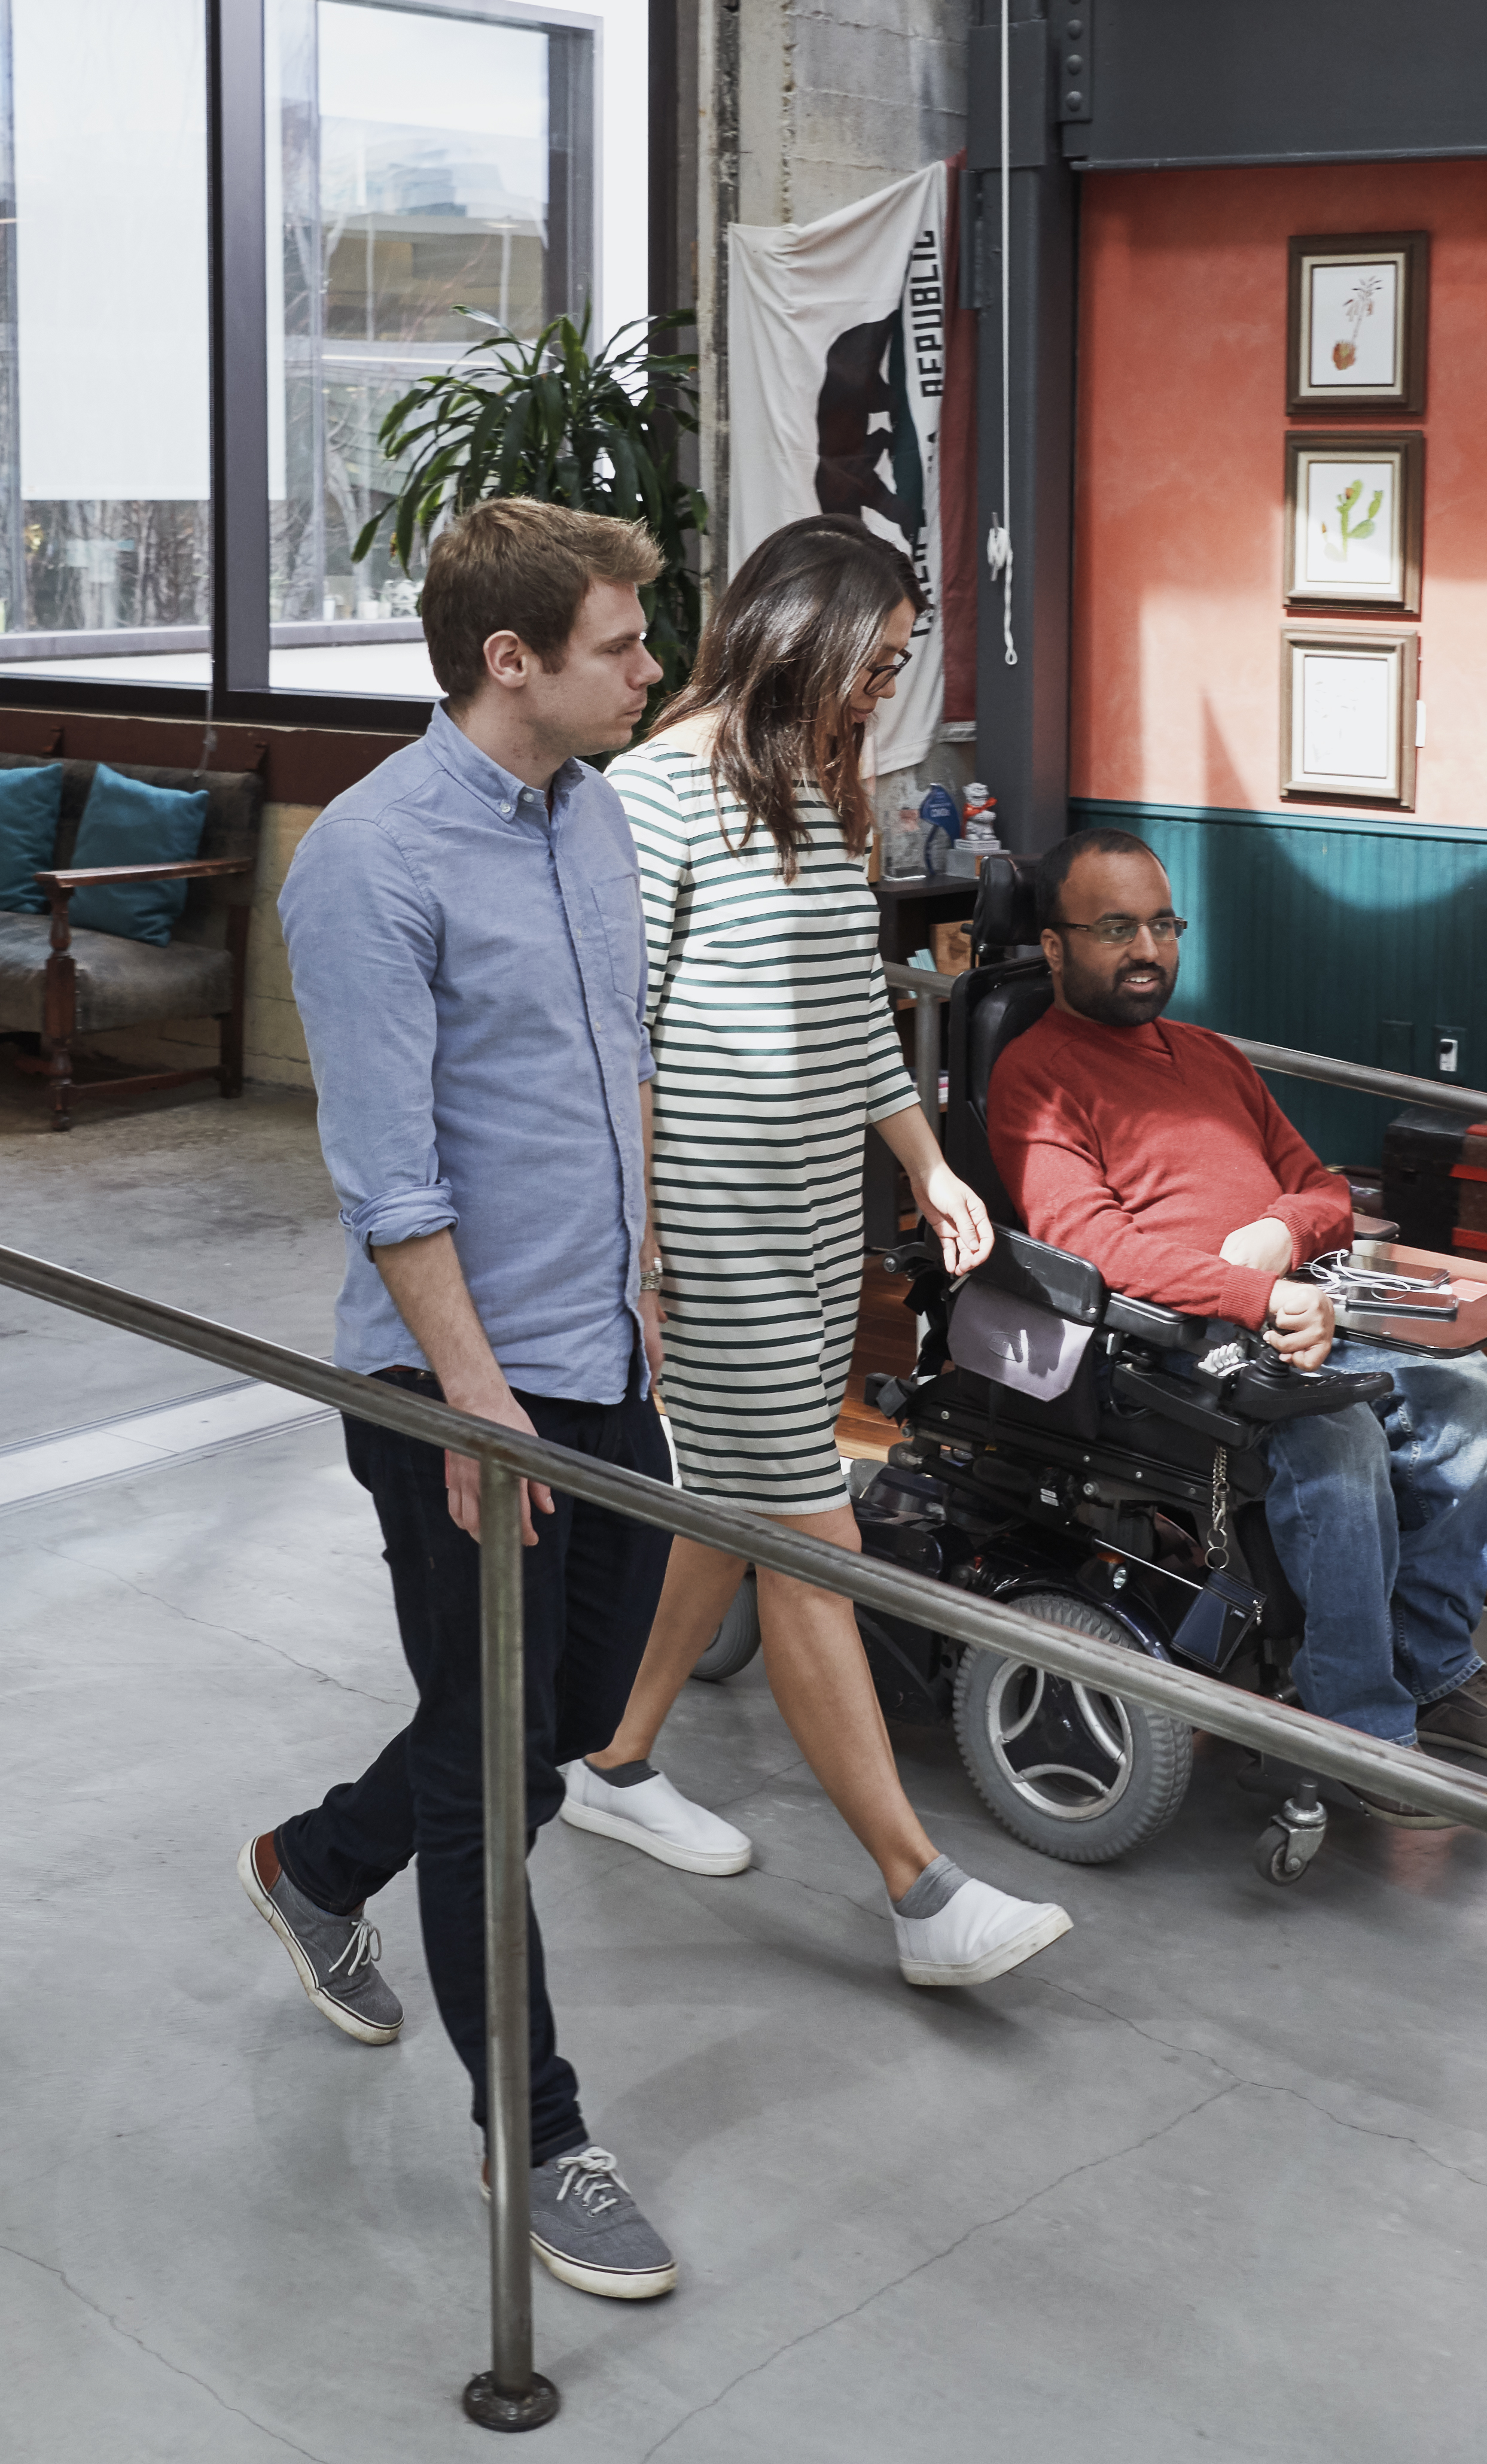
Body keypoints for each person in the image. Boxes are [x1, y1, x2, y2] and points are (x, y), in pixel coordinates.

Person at [239, 496, 688, 2303]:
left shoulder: (593, 819)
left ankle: (309, 1861)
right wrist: (477, 1405)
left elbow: (620, 1062)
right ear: (511, 658)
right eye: (621, 644)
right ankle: (542, 2132)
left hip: (605, 1350)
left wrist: (647, 1273)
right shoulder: (369, 860)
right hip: (458, 1387)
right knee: (492, 1755)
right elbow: (390, 1176)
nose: (653, 669)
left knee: (556, 1726)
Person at [557, 521, 1068, 1987]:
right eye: (878, 663)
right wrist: (640, 1238)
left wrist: (927, 1166)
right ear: (805, 632)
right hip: (705, 1234)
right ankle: (922, 1894)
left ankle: (611, 1755)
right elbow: (621, 1037)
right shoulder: (652, 792)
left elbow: (854, 1014)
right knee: (804, 1531)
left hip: (805, 1225)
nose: (880, 694)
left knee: (730, 1503)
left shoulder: (809, 793)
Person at [985, 825, 1487, 1815]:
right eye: (1113, 927)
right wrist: (1257, 1293)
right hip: (1163, 1340)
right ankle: (1357, 1718)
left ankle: (1432, 1664)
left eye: (1161, 923)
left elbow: (1326, 1189)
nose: (1147, 948)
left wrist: (1277, 1231)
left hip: (1294, 1302)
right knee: (1334, 1431)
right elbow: (1089, 1243)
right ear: (1052, 945)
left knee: (1465, 1394)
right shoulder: (1037, 1071)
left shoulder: (1211, 1055)